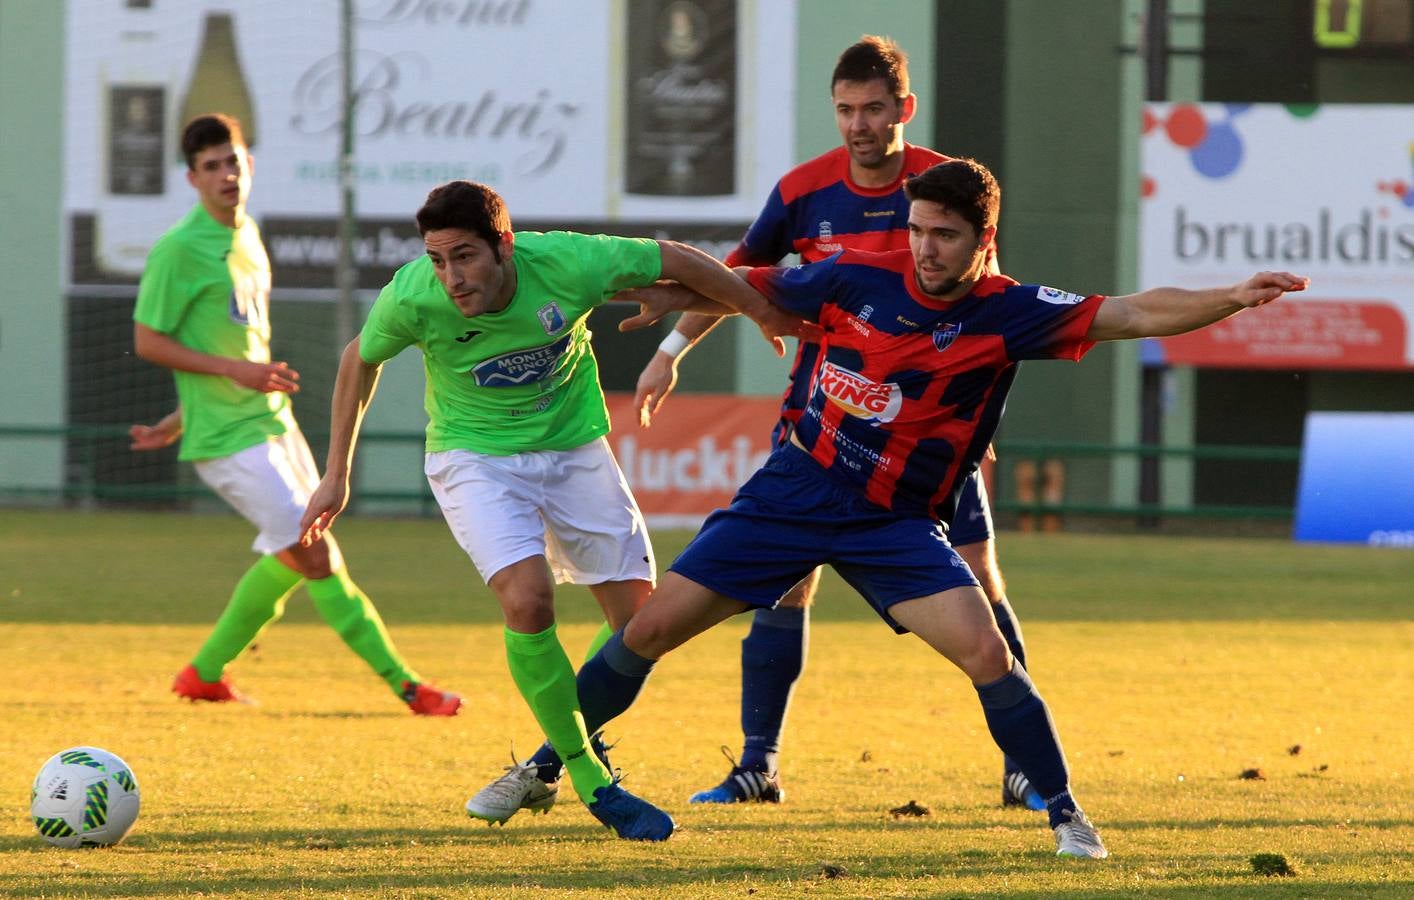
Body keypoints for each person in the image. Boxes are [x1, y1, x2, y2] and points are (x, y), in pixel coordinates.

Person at [485, 157, 1309, 858]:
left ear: (985, 240)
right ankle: (547, 765)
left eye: (944, 234)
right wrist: (676, 303)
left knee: (988, 652)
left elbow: (1133, 310)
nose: (924, 247)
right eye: (917, 229)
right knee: (648, 631)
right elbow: (746, 283)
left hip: (894, 523)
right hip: (793, 492)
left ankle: (1066, 814)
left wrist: (1232, 296)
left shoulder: (1010, 312)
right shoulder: (858, 273)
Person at [295, 179, 809, 842]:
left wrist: (758, 311)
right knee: (528, 599)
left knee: (640, 625)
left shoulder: (568, 261)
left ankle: (541, 765)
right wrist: (335, 473)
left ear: (504, 245)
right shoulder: (412, 297)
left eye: (465, 257)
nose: (451, 277)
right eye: (438, 259)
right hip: (474, 457)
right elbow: (356, 361)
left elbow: (678, 260)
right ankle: (588, 775)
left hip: (573, 448)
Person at [631, 35, 1041, 809]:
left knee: (981, 585)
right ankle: (759, 765)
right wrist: (673, 347)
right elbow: (735, 273)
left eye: (873, 109)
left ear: (903, 110)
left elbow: (1000, 315)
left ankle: (1021, 767)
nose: (858, 125)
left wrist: (977, 436)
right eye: (846, 110)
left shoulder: (946, 188)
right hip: (824, 416)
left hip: (927, 436)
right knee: (787, 583)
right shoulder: (803, 192)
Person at [130, 114, 461, 716]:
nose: (226, 174)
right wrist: (223, 388)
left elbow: (235, 348)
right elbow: (150, 340)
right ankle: (408, 687)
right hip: (227, 438)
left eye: (232, 160)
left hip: (270, 423)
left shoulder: (249, 236)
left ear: (249, 164)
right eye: (211, 166)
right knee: (314, 554)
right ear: (192, 178)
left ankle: (204, 672)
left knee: (298, 547)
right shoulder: (178, 249)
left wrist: (178, 415)